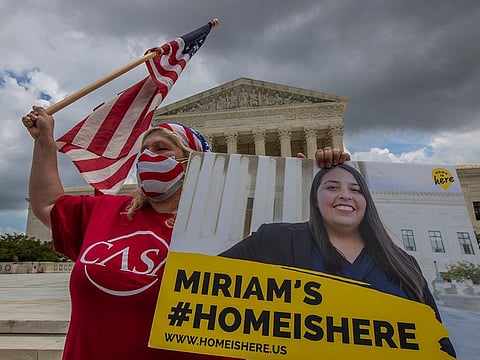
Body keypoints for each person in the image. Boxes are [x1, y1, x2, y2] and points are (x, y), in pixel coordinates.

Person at [22, 105, 348, 359]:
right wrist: (44, 143)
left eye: (161, 149)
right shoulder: (105, 211)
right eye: (144, 150)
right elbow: (48, 205)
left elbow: (317, 263)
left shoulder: (239, 226)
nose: (148, 157)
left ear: (193, 162)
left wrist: (313, 182)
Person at [221, 163, 456, 358]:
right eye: (332, 187)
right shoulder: (274, 240)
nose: (345, 195)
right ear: (315, 198)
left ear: (366, 202)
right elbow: (201, 286)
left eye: (355, 189)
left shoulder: (405, 264)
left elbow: (439, 345)